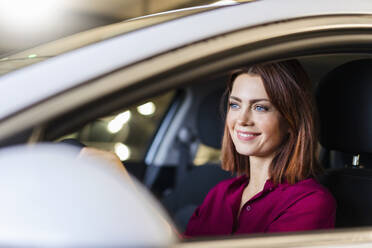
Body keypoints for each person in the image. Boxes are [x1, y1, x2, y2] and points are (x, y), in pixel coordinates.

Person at [184, 60, 336, 237]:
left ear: (290, 120)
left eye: (260, 107)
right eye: (235, 105)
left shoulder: (310, 202)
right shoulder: (220, 193)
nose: (242, 119)